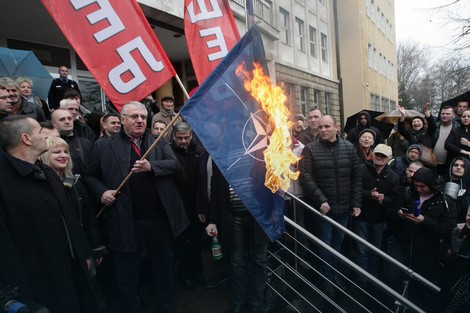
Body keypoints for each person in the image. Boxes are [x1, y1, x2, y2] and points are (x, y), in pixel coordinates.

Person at [83, 101, 189, 313]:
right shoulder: (104, 145)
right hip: (125, 221)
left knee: (163, 269)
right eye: (134, 117)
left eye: (143, 116)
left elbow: (174, 164)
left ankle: (165, 307)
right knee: (127, 272)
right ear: (122, 120)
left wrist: (152, 167)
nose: (140, 120)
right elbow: (88, 176)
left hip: (159, 220)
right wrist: (102, 192)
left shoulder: (157, 141)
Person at [0, 115, 100, 313]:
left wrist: (83, 254)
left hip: (72, 275)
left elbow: (69, 220)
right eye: (39, 131)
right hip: (37, 287)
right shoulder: (4, 182)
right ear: (26, 139)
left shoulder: (46, 172)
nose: (45, 135)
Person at [299, 114, 362, 298]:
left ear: (336, 127)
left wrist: (356, 202)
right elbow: (305, 176)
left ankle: (334, 275)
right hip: (324, 209)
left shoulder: (349, 148)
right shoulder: (310, 149)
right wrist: (321, 200)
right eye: (320, 127)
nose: (323, 130)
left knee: (337, 243)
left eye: (327, 126)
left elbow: (356, 177)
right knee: (325, 245)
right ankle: (328, 279)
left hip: (343, 207)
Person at [385, 167, 456, 312]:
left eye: (422, 186)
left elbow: (446, 230)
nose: (418, 189)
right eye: (415, 185)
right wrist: (398, 214)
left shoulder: (445, 202)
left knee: (420, 286)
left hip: (426, 251)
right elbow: (390, 212)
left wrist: (424, 221)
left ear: (431, 185)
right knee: (391, 277)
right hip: (402, 244)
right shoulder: (407, 193)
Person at [205, 162, 269, 313]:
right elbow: (216, 191)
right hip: (233, 218)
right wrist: (213, 220)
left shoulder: (257, 150)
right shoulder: (220, 154)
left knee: (259, 260)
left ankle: (256, 301)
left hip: (258, 217)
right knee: (237, 262)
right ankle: (239, 300)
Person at [352, 144, 399, 285]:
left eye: (383, 156)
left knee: (375, 250)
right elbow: (354, 189)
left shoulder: (393, 176)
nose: (379, 158)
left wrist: (383, 199)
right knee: (361, 250)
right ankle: (361, 279)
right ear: (373, 154)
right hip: (362, 218)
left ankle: (373, 278)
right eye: (377, 154)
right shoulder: (361, 170)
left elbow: (395, 199)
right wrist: (369, 195)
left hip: (379, 220)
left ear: (389, 158)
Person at [170, 122, 206, 291]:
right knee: (182, 244)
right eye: (180, 138)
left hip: (195, 203)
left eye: (186, 138)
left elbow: (202, 181)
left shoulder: (198, 152)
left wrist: (201, 206)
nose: (183, 141)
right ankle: (184, 276)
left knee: (196, 242)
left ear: (191, 136)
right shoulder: (169, 153)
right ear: (174, 137)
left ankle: (198, 272)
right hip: (178, 204)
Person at [51, 108, 93, 176]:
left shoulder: (86, 143)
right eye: (62, 119)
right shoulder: (49, 144)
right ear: (53, 123)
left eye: (69, 118)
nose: (67, 122)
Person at [432, 106, 458, 175]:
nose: (444, 115)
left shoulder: (458, 128)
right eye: (443, 114)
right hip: (433, 162)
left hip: (450, 163)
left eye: (448, 114)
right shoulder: (435, 127)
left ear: (454, 115)